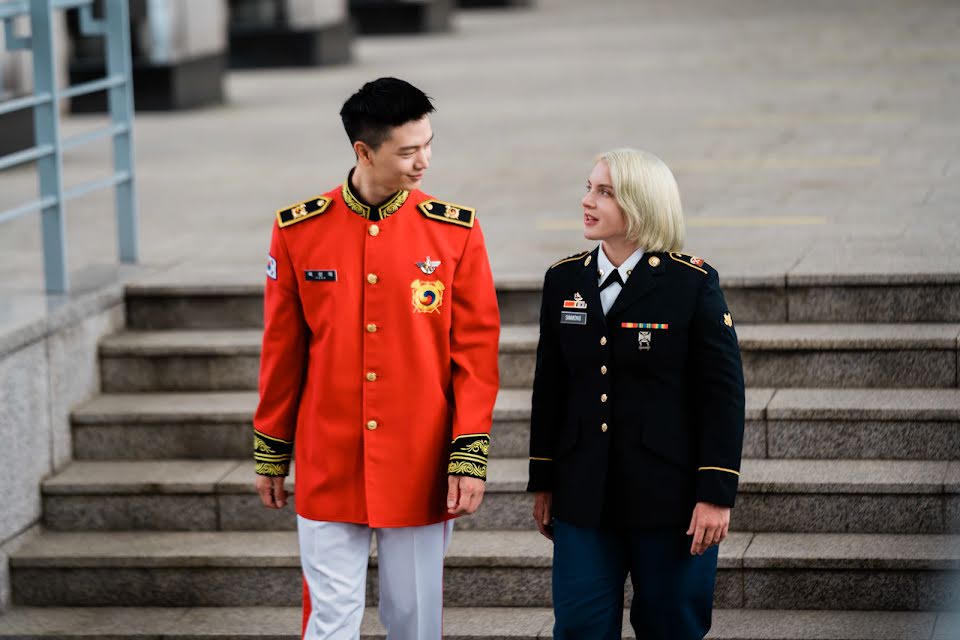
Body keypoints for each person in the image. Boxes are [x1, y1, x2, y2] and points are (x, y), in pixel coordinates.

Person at [253, 77, 501, 640]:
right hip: (328, 458)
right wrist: (272, 451)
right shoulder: (298, 230)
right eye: (408, 151)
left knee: (414, 619)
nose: (424, 161)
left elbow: (475, 357)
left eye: (428, 145)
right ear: (364, 151)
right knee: (330, 618)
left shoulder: (454, 232)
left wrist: (468, 456)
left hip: (419, 460)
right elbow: (282, 351)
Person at [527, 148, 745, 639]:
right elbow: (550, 387)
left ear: (641, 204)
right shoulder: (564, 279)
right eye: (589, 188)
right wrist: (544, 479)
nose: (587, 201)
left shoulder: (691, 283)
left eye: (604, 192)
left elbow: (723, 396)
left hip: (670, 498)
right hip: (584, 496)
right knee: (580, 626)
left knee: (671, 626)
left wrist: (715, 493)